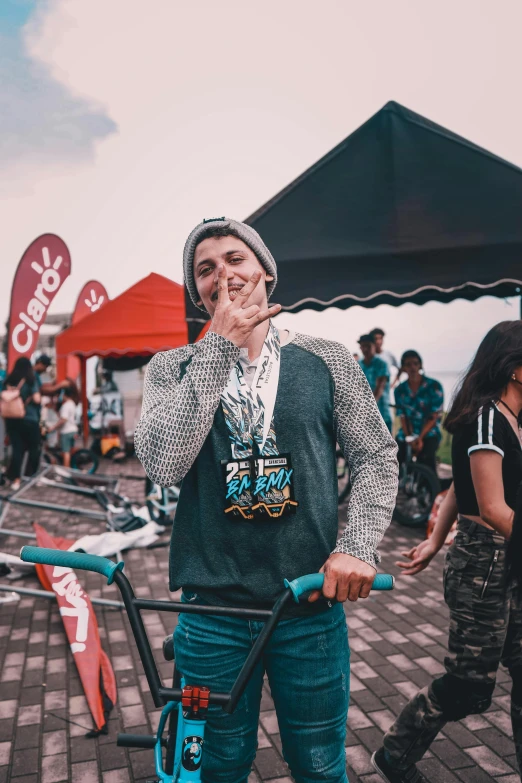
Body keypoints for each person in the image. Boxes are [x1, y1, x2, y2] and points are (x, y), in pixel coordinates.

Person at [135, 217, 398, 783]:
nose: (222, 274)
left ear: (266, 272)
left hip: (308, 606)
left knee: (321, 762)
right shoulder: (169, 368)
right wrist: (218, 350)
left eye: (235, 259)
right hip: (211, 613)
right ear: (197, 294)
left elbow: (376, 456)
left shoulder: (328, 359)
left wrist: (357, 545)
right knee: (218, 766)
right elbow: (164, 464)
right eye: (205, 269)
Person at [372, 320, 522, 783]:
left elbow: (462, 484)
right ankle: (395, 755)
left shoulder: (511, 417)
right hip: (485, 562)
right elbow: (493, 507)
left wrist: (435, 539)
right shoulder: (487, 419)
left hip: (510, 555)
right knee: (467, 686)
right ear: (516, 369)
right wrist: (441, 542)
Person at [394, 350, 443, 475]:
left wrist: (420, 438)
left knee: (427, 462)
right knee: (395, 459)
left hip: (428, 432)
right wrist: (409, 437)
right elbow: (403, 416)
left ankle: (431, 490)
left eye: (415, 363)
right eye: (408, 364)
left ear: (420, 365)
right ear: (403, 368)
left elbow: (434, 416)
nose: (412, 367)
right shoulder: (400, 390)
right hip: (407, 433)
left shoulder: (434, 386)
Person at [2, 357, 42, 490]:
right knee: (34, 448)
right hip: (29, 418)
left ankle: (16, 480)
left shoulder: (9, 379)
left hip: (11, 420)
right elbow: (37, 399)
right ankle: (33, 477)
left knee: (17, 449)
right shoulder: (31, 379)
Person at [358, 333, 392, 431]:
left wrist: (368, 408)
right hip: (363, 415)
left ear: (374, 346)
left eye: (368, 346)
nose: (365, 349)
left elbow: (380, 388)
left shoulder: (382, 364)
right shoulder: (358, 364)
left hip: (382, 413)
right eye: (363, 346)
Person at [46, 384, 79, 467]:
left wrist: (53, 427)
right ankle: (71, 468)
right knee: (69, 451)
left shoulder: (66, 405)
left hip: (66, 431)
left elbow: (63, 419)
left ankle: (66, 471)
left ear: (63, 394)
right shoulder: (72, 403)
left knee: (66, 452)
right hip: (73, 430)